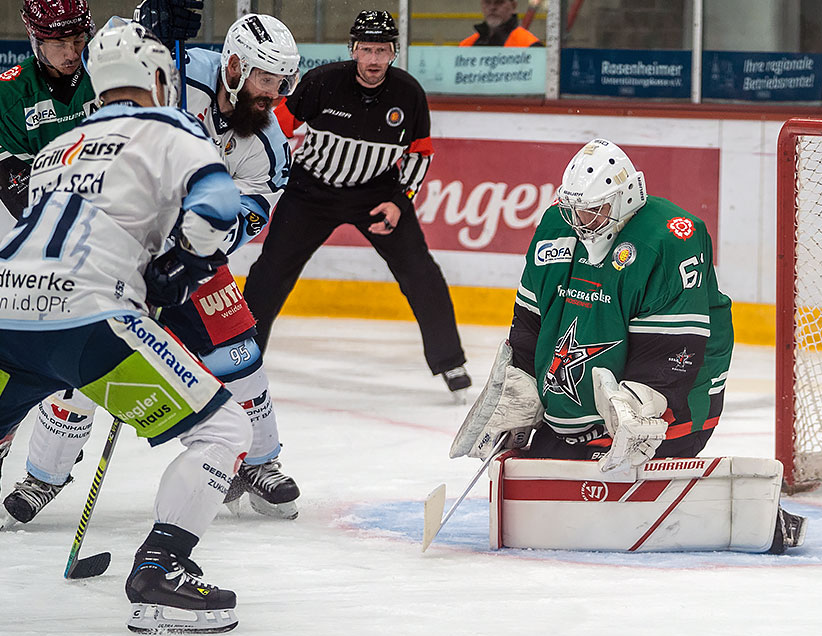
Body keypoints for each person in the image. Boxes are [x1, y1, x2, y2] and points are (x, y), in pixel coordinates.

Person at [0, 10, 304, 526]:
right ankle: (43, 475)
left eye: (281, 85)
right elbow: (122, 44)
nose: (273, 97)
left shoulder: (268, 145)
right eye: (265, 81)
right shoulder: (180, 70)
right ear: (233, 65)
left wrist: (188, 250)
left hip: (193, 250)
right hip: (120, 241)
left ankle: (260, 460)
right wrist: (151, 17)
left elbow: (249, 216)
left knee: (239, 350)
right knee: (79, 369)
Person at [0, 20, 249, 633]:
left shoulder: (63, 142)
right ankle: (162, 572)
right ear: (159, 79)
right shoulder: (171, 127)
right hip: (86, 322)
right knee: (223, 428)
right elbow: (219, 209)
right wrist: (180, 267)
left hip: (6, 307)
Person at [450, 139, 806, 553]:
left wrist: (638, 407)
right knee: (545, 480)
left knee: (604, 485)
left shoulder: (671, 238)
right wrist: (521, 387)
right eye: (573, 209)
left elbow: (676, 353)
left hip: (675, 397)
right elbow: (529, 321)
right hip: (582, 398)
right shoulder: (556, 226)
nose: (580, 221)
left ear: (626, 198)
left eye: (593, 210)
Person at [243, 10, 472, 399]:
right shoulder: (322, 82)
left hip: (376, 192)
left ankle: (450, 362)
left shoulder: (408, 93)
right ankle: (240, 356)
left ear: (394, 53)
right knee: (270, 271)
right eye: (366, 49)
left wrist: (401, 200)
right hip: (311, 190)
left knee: (421, 272)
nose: (373, 59)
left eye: (381, 50)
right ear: (353, 50)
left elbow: (419, 152)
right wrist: (270, 178)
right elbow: (275, 128)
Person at [0, 0, 97, 224]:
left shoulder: (109, 74)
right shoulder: (9, 97)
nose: (72, 54)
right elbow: (28, 204)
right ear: (37, 41)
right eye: (60, 44)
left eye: (78, 40)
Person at [460, 0, 542, 47]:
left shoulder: (530, 46)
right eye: (487, 2)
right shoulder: (466, 46)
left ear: (513, 6)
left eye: (499, 2)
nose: (492, 7)